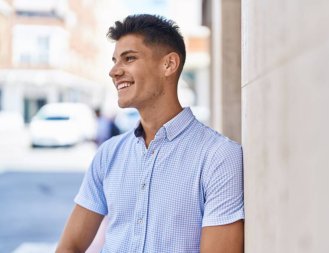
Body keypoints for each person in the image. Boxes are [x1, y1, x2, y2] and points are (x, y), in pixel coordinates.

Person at [56, 14, 244, 253]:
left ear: (169, 64)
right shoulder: (109, 154)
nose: (114, 71)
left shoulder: (219, 157)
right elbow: (69, 246)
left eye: (129, 58)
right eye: (115, 60)